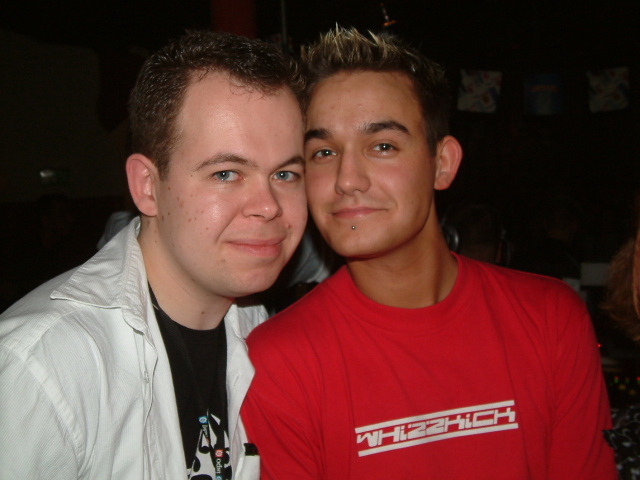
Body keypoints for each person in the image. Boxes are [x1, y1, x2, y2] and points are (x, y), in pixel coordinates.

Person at [241, 27, 617, 479]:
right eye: (322, 152)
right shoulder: (277, 362)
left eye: (382, 146)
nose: (347, 179)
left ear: (443, 163)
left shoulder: (550, 320)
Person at [0, 30, 307, 480]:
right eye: (226, 173)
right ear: (147, 186)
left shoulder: (259, 326)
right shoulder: (41, 369)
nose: (269, 206)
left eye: (285, 174)